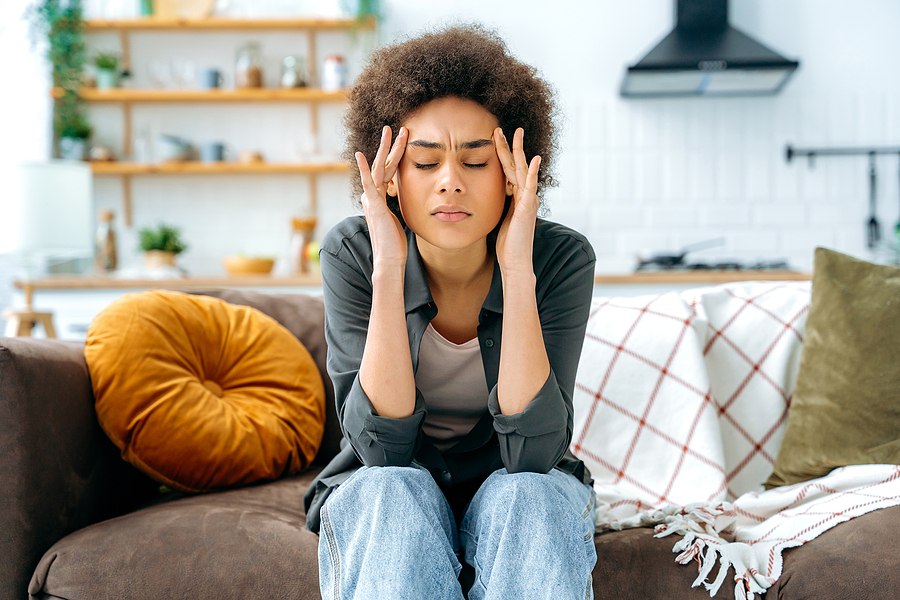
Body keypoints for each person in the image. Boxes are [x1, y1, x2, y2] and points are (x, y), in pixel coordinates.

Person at [304, 23, 597, 600]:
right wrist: (389, 266)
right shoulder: (353, 253)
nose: (450, 184)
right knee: (390, 491)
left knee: (530, 497)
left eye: (476, 162)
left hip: (517, 485)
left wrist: (516, 268)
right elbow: (379, 451)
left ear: (515, 172)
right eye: (425, 163)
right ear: (389, 177)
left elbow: (534, 454)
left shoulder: (559, 259)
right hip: (390, 487)